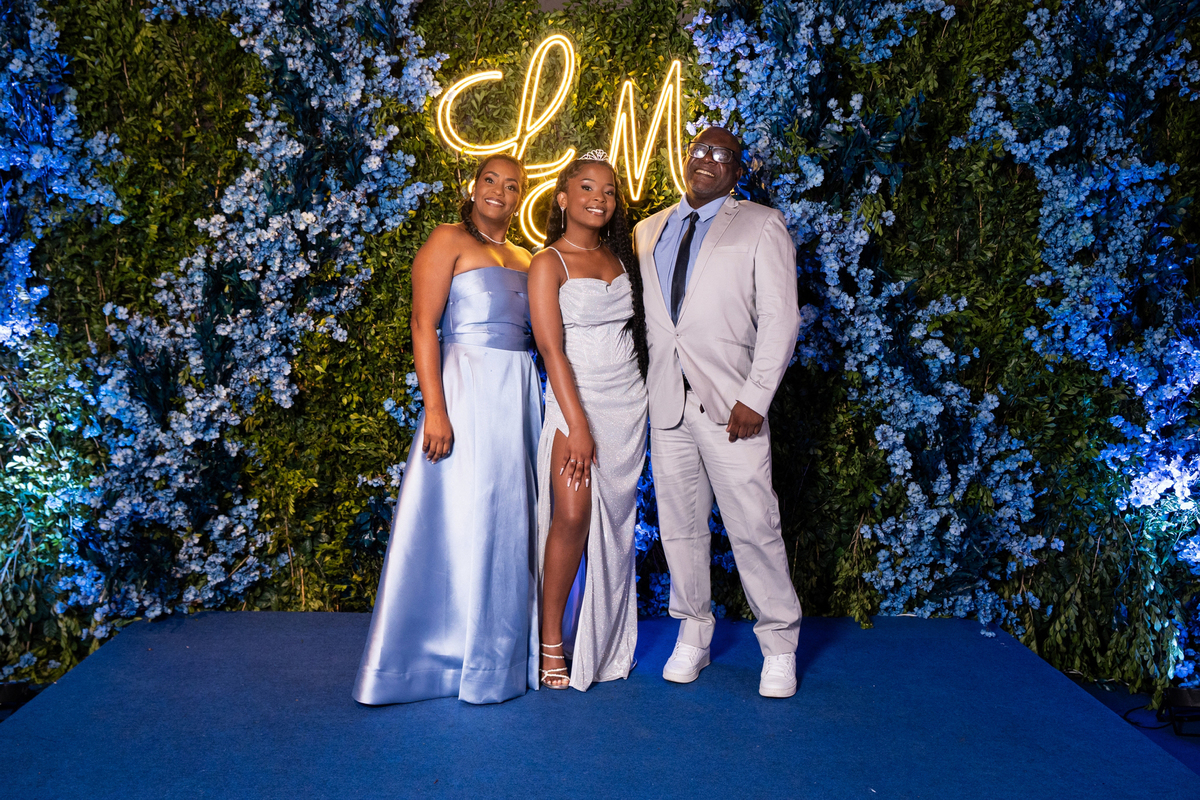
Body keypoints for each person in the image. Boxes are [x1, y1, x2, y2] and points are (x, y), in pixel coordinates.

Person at [353, 154, 541, 705]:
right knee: (461, 513)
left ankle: (502, 658)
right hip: (464, 387)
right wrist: (435, 408)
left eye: (513, 185)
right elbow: (422, 324)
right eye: (491, 180)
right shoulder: (447, 239)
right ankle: (438, 661)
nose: (500, 191)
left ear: (521, 197)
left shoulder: (528, 259)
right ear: (473, 186)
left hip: (517, 392)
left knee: (509, 518)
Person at [632, 127, 803, 698]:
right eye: (699, 150)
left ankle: (779, 645)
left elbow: (780, 318)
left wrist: (755, 397)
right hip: (668, 404)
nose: (706, 160)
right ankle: (693, 633)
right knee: (680, 530)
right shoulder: (647, 229)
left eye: (721, 154)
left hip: (734, 405)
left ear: (737, 170)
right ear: (686, 159)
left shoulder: (761, 224)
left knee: (754, 526)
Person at [528, 151, 649, 691]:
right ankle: (550, 639)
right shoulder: (548, 262)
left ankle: (603, 636)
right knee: (573, 515)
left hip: (627, 402)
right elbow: (551, 350)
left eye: (608, 191)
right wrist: (576, 425)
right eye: (586, 187)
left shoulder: (624, 259)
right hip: (574, 400)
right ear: (562, 197)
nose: (598, 198)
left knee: (617, 525)